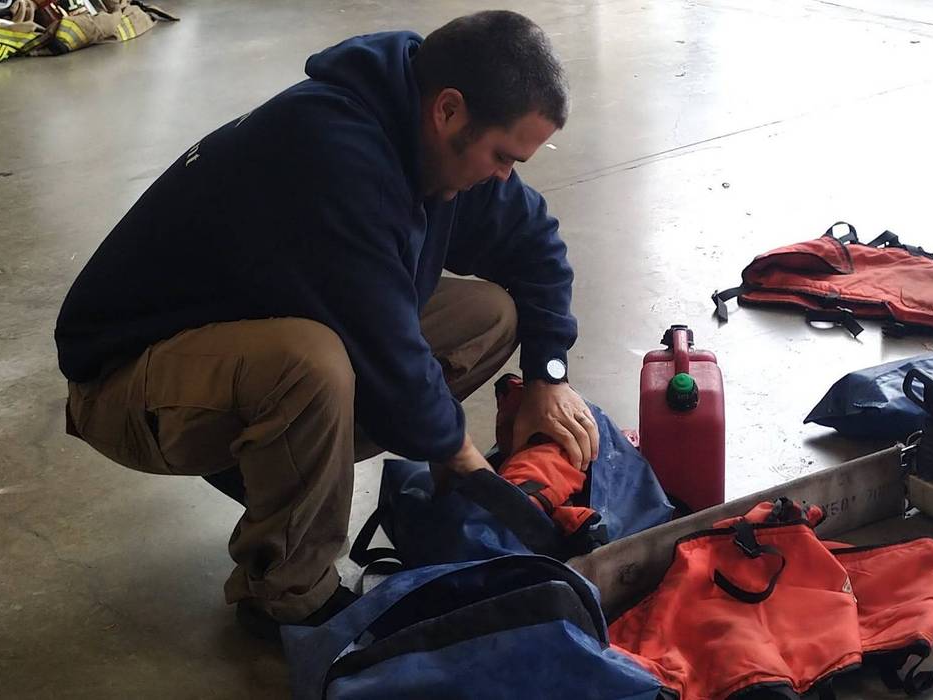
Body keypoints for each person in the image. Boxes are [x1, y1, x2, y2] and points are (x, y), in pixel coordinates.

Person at [54, 10, 600, 641]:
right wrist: (457, 453)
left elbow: (537, 246)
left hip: (240, 339)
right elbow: (389, 351)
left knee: (489, 315)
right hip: (127, 381)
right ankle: (285, 594)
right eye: (504, 155)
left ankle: (287, 473)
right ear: (449, 110)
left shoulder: (436, 135)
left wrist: (547, 376)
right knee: (309, 364)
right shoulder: (330, 152)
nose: (507, 174)